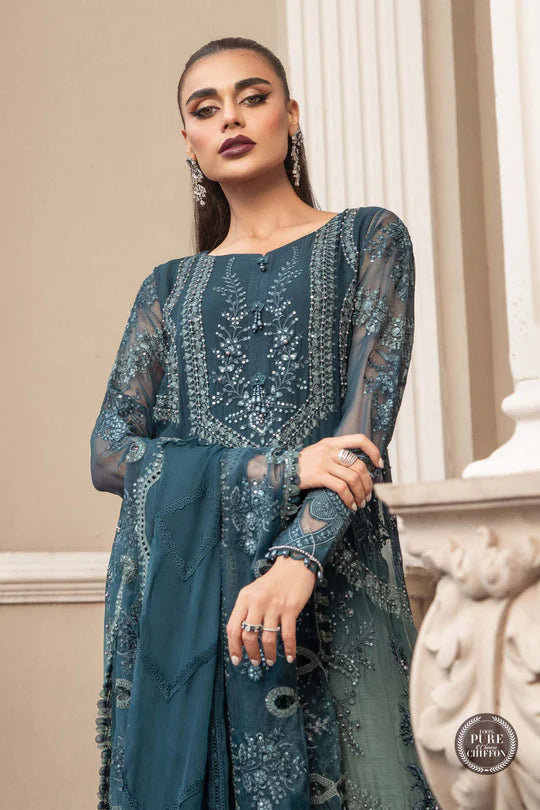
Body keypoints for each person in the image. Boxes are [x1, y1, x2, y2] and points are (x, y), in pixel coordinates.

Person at [90, 36, 440, 810]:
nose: (231, 118)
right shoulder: (168, 290)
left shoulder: (368, 239)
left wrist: (296, 560)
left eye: (252, 97)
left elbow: (362, 432)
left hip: (332, 575)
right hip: (194, 598)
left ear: (291, 114)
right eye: (205, 108)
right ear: (188, 139)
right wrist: (280, 470)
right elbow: (109, 453)